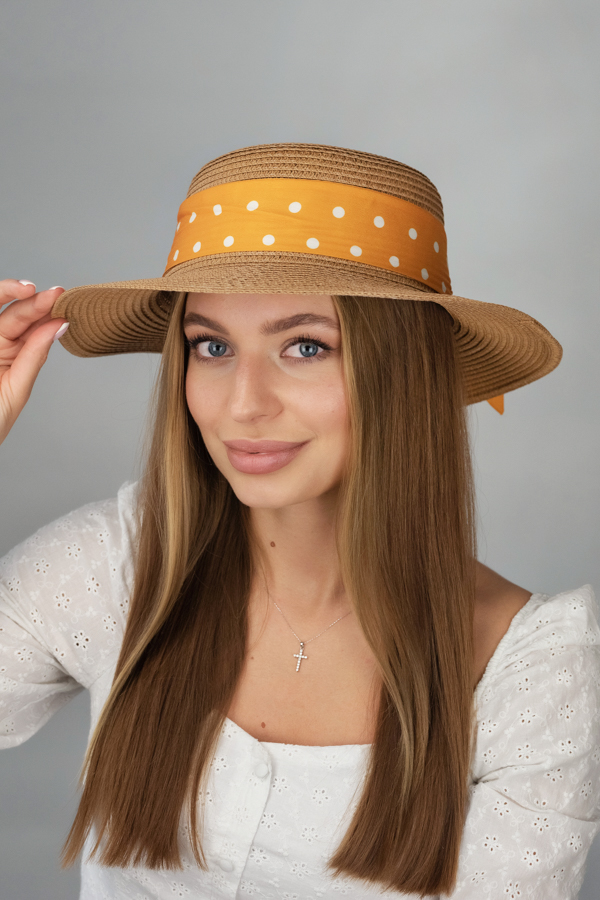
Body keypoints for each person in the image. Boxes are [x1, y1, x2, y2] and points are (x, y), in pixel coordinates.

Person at [1, 143, 598, 900]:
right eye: (212, 346)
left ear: (402, 373)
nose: (243, 402)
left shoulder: (534, 674)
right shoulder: (115, 565)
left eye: (305, 346)